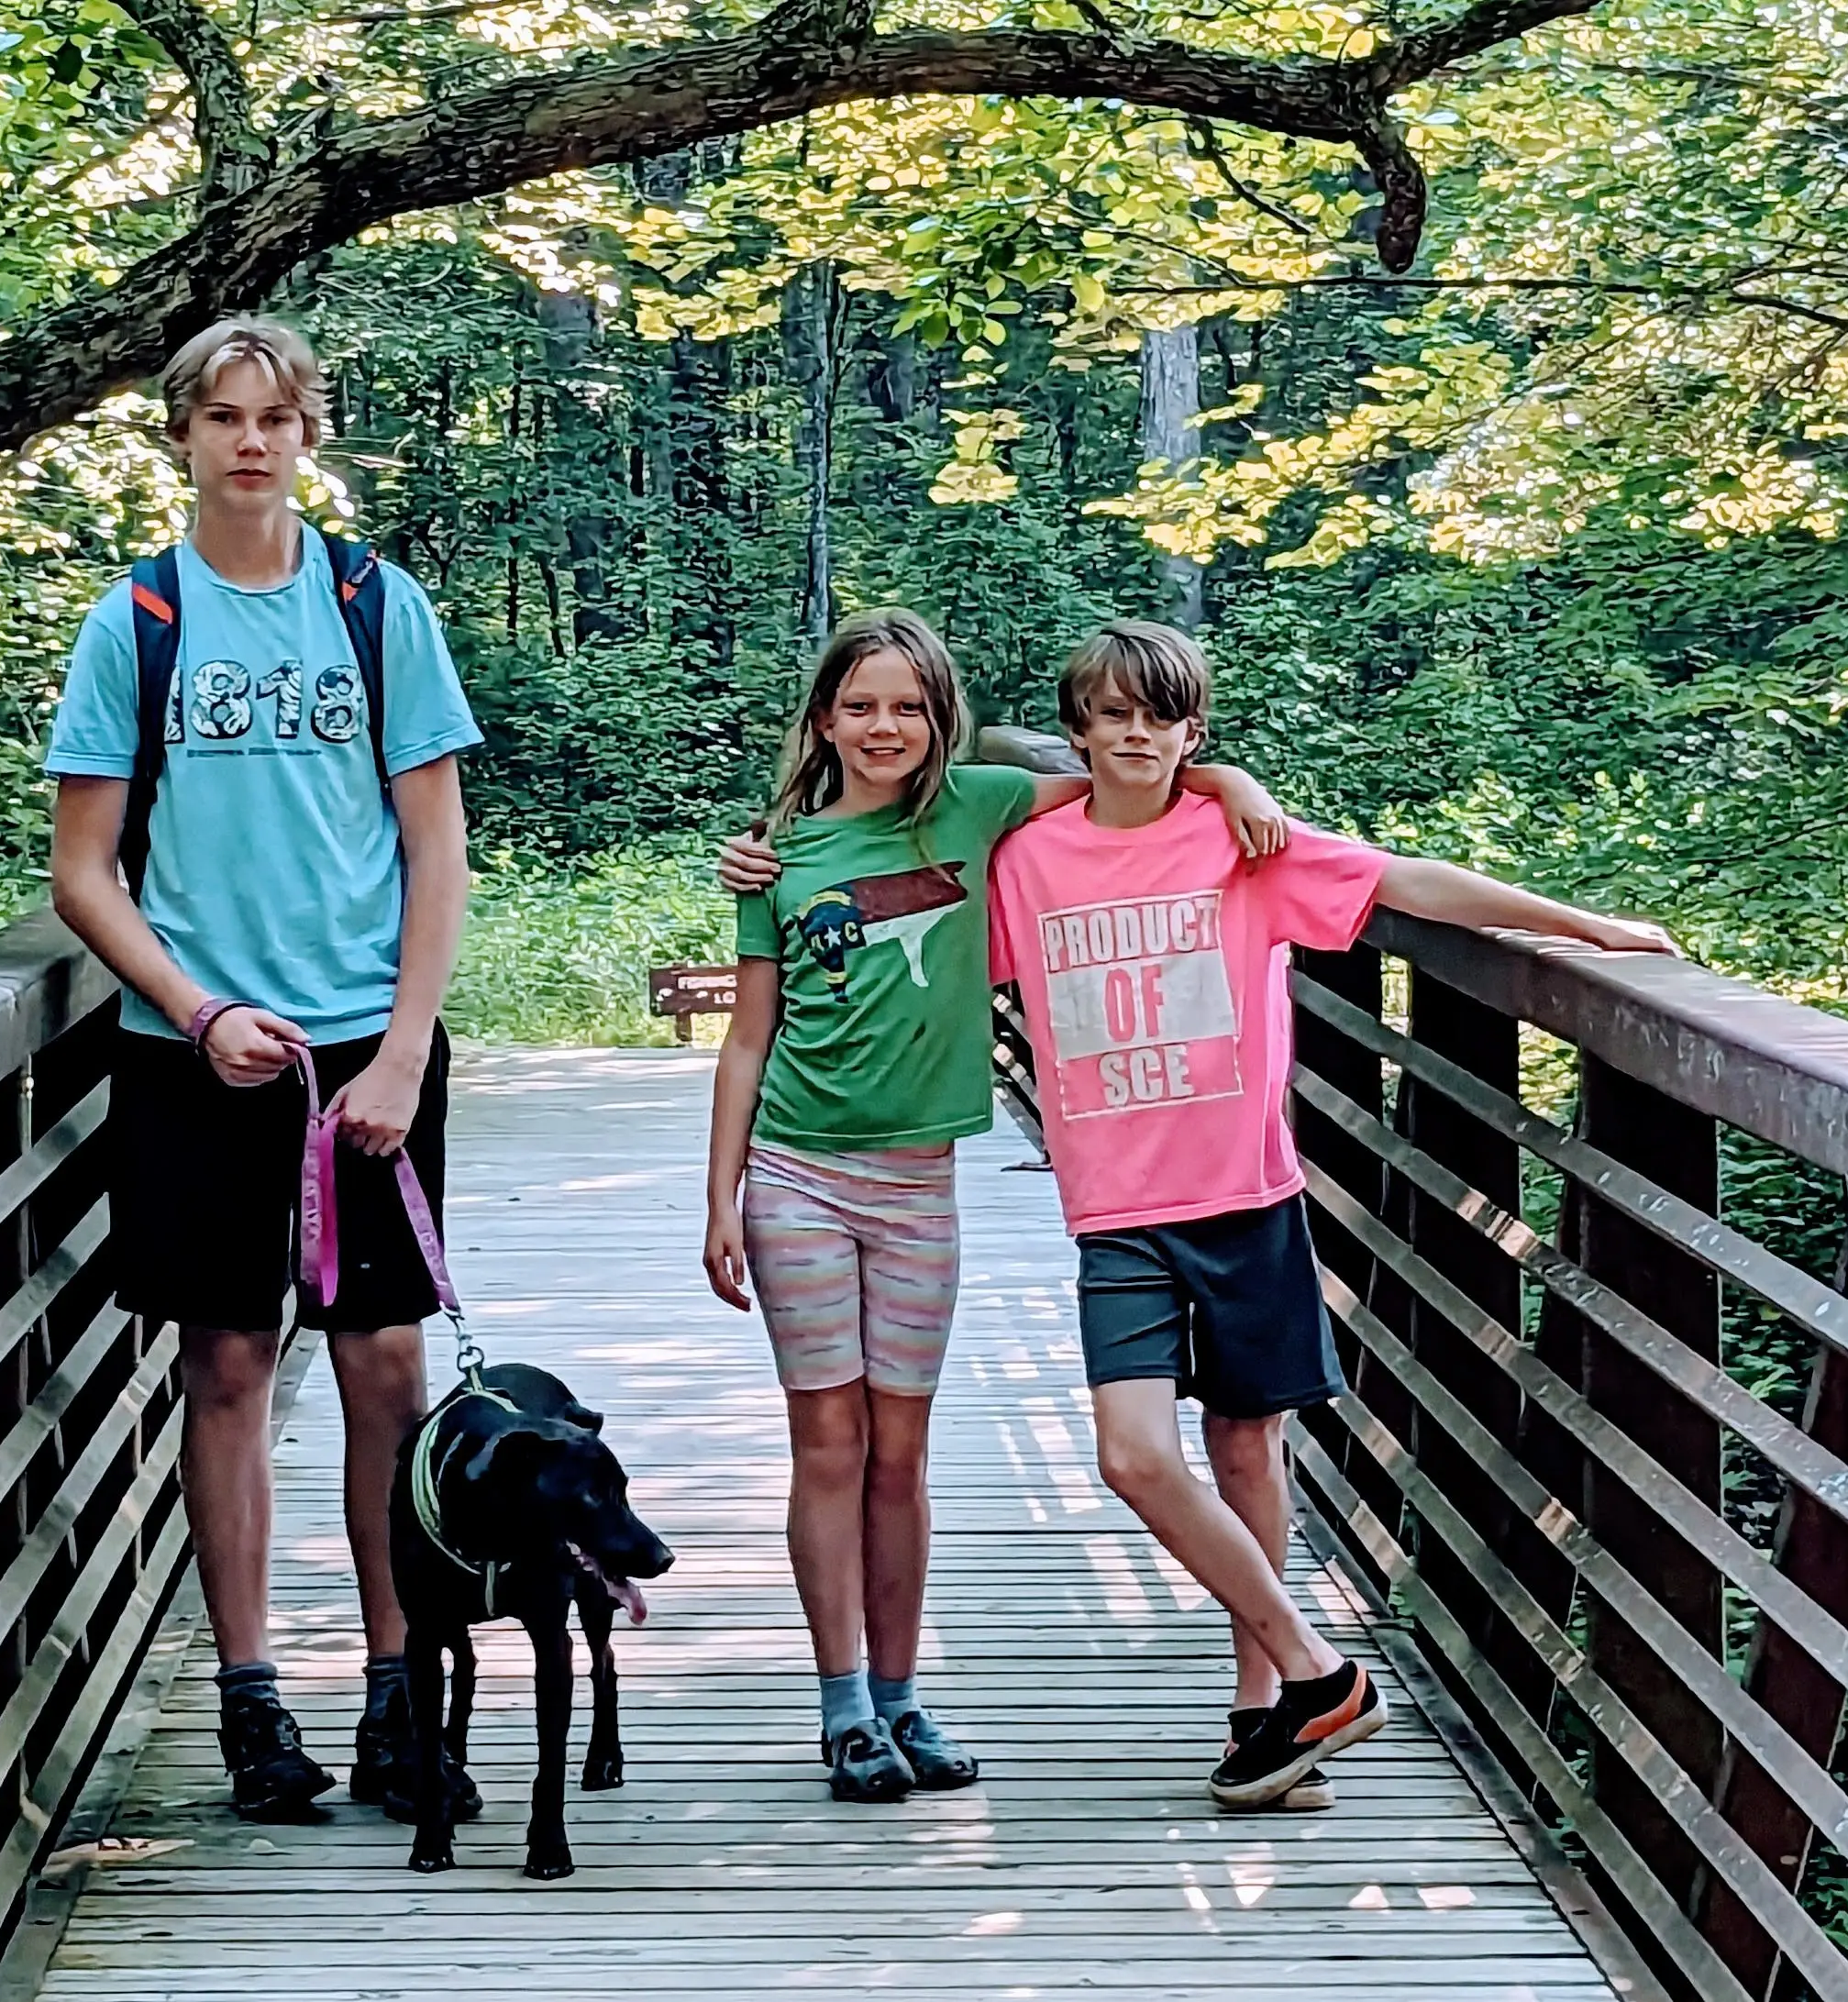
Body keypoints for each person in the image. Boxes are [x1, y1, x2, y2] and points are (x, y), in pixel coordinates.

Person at [979, 620, 1677, 1808]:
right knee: (1134, 1454)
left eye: (1162, 717)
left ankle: (1270, 1716)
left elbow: (1405, 882)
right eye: (1110, 714)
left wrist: (1582, 925)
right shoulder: (1028, 856)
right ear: (1080, 729)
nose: (1135, 733)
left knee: (1247, 1446)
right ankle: (1320, 1670)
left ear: (1191, 729)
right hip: (1118, 1210)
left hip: (1246, 1198)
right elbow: (946, 791)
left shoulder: (1240, 843)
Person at [703, 608, 1286, 1803]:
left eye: (906, 707)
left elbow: (1126, 769)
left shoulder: (977, 808)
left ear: (939, 721)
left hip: (921, 1180)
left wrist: (1226, 773)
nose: (883, 727)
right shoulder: (781, 850)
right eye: (859, 705)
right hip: (799, 1176)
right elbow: (748, 1033)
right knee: (828, 1440)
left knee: (901, 1451)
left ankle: (904, 1695)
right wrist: (722, 1193)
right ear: (823, 717)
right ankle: (842, 1706)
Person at [45, 315, 482, 1821]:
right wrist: (196, 1004)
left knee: (385, 1366)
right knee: (225, 1363)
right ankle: (249, 1698)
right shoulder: (141, 623)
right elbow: (85, 872)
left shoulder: (376, 608)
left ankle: (396, 1684)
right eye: (221, 417)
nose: (248, 442)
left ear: (310, 436)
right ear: (181, 434)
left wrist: (405, 1053)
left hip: (366, 1042)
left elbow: (437, 843)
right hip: (196, 1055)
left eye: (274, 418)